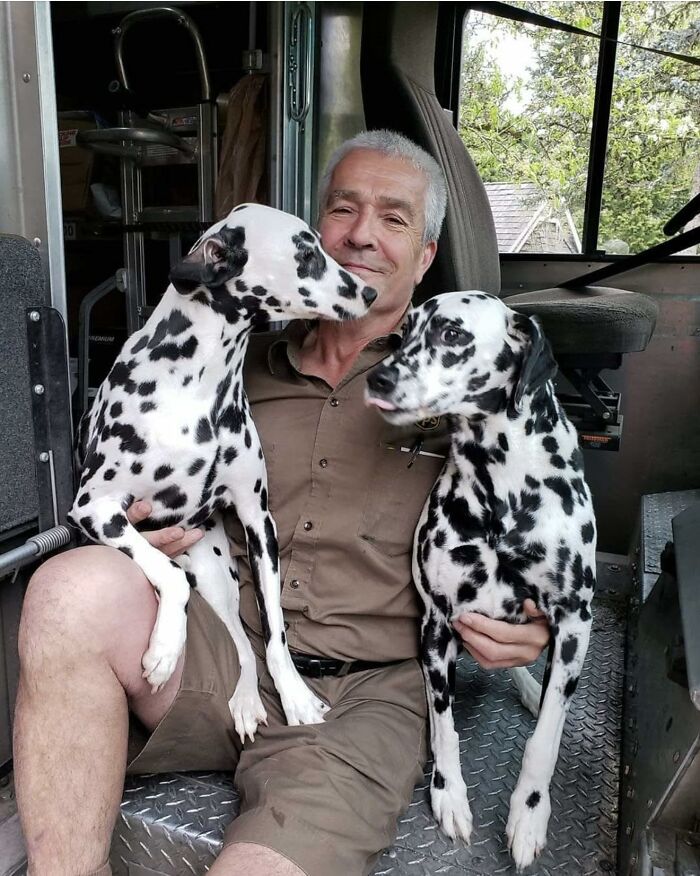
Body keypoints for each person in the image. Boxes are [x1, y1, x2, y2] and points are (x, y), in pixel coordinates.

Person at [13, 130, 550, 876]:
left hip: (356, 698)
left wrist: (531, 623)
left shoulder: (465, 390)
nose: (361, 234)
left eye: (393, 219)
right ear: (313, 231)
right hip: (218, 646)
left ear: (425, 256)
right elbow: (123, 484)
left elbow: (539, 529)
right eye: (343, 209)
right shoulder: (229, 362)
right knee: (67, 589)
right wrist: (137, 531)